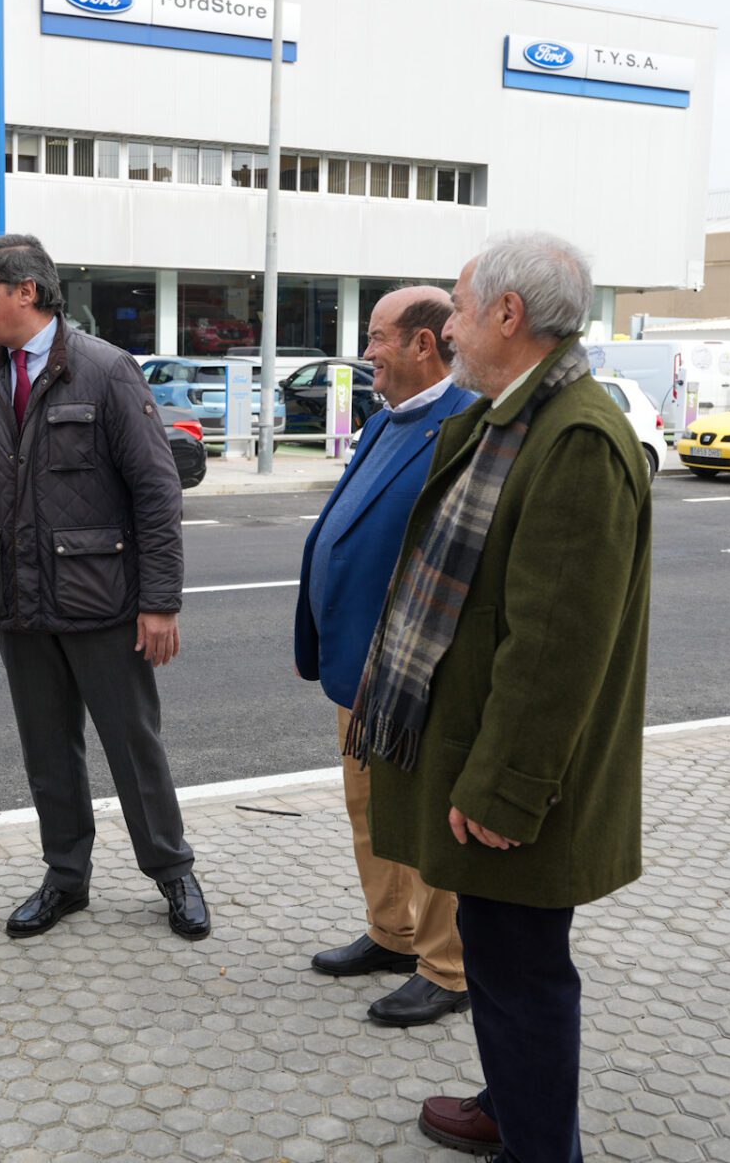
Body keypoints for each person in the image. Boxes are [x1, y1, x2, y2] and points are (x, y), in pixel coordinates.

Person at [352, 232, 650, 1162]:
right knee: (494, 955)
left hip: (518, 784)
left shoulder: (577, 440)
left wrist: (505, 790)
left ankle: (537, 1145)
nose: (453, 329)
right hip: (481, 752)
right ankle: (508, 1101)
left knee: (522, 970)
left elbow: (556, 648)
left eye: (463, 309)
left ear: (510, 317)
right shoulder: (511, 415)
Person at [0, 233, 209, 941]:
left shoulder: (106, 370)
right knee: (47, 751)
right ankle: (66, 878)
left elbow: (157, 492)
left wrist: (160, 602)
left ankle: (173, 870)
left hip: (103, 603)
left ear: (25, 291)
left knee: (132, 745)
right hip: (20, 605)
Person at [294, 286, 477, 1027]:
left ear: (423, 345)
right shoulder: (387, 422)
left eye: (377, 337)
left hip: (413, 671)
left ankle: (448, 967)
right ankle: (392, 933)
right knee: (370, 809)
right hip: (358, 667)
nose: (366, 352)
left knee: (426, 821)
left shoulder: (463, 425)